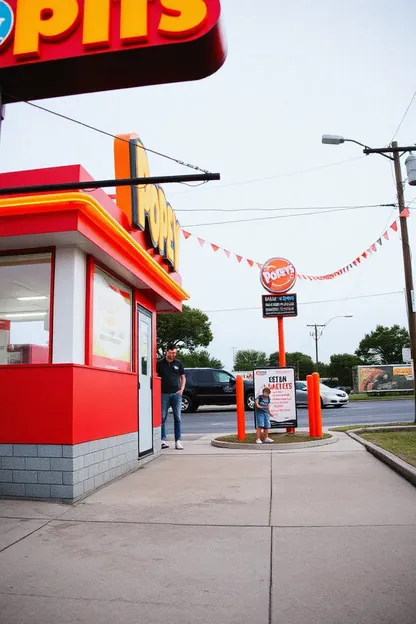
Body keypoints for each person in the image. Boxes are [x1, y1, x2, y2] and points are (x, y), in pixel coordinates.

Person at [156, 344, 186, 450]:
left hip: (176, 394)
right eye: (171, 352)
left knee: (177, 418)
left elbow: (183, 377)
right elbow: (155, 377)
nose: (173, 355)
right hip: (164, 394)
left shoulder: (178, 363)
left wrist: (181, 390)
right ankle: (162, 440)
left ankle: (178, 441)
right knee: (162, 418)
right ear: (167, 352)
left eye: (174, 353)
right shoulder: (159, 364)